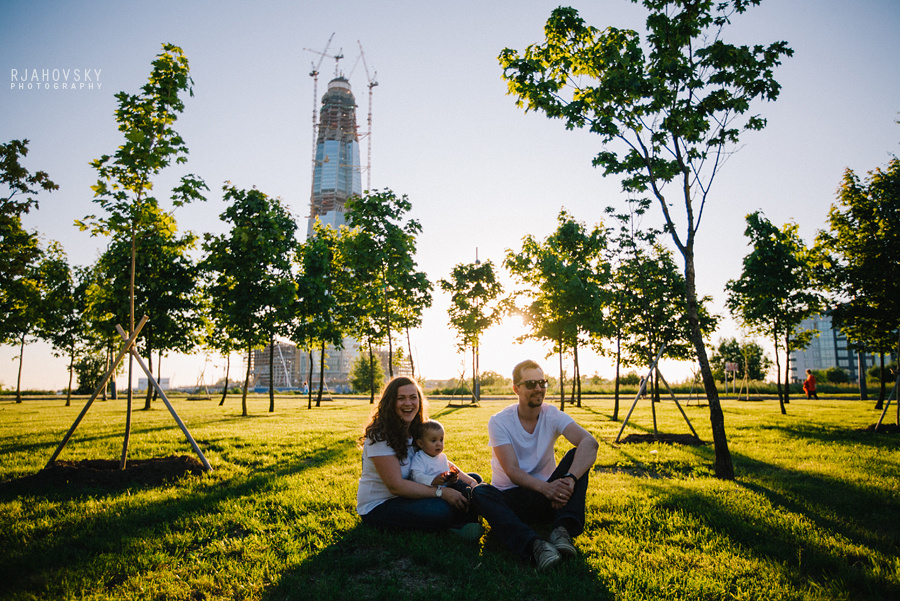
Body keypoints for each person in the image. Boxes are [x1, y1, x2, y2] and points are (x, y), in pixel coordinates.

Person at [472, 360, 599, 571]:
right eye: (531, 384)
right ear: (516, 389)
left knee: (579, 456)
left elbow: (590, 443)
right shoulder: (500, 421)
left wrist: (569, 480)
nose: (538, 388)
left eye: (542, 382)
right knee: (480, 493)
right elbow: (512, 470)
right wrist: (547, 488)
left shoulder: (552, 414)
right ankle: (535, 546)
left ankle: (562, 531)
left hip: (549, 499)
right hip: (512, 500)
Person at [356, 376, 480, 537]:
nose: (408, 403)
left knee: (472, 479)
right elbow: (396, 486)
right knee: (440, 511)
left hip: (413, 493)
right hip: (381, 505)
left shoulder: (417, 429)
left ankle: (464, 516)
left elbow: (437, 459)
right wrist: (441, 493)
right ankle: (461, 518)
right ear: (390, 402)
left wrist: (460, 477)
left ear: (419, 401)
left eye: (413, 397)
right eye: (401, 398)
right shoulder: (380, 436)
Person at [410, 419, 481, 498]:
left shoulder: (442, 457)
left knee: (473, 479)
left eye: (441, 440)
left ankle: (472, 495)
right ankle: (470, 497)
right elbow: (416, 476)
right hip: (431, 493)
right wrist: (432, 480)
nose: (439, 444)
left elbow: (447, 479)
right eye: (433, 441)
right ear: (420, 443)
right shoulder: (419, 458)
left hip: (446, 487)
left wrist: (452, 478)